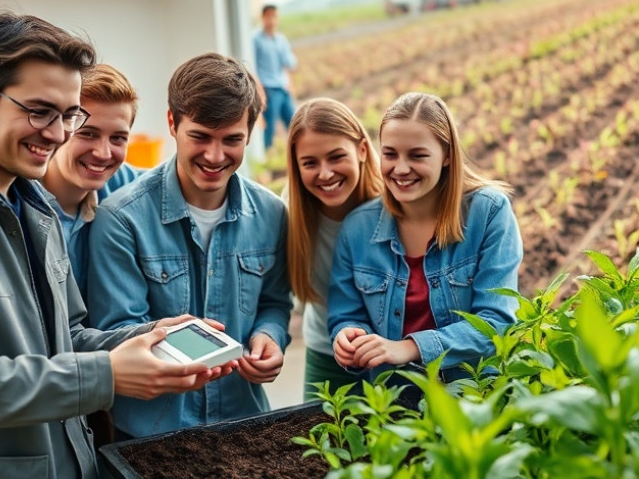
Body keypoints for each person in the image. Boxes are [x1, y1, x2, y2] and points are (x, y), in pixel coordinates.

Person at [0, 12, 233, 479]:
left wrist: (147, 337)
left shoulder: (33, 202)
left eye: (69, 115)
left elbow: (64, 338)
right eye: (38, 111)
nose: (56, 134)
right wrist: (107, 375)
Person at [87, 52, 292, 439]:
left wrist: (269, 337)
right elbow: (119, 332)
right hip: (151, 435)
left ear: (250, 133)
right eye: (200, 136)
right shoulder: (121, 219)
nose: (215, 156)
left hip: (243, 427)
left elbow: (275, 303)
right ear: (172, 123)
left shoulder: (271, 214)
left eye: (232, 140)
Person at [328, 92, 523, 383]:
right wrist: (348, 336)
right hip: (393, 400)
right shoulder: (358, 228)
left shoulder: (488, 212)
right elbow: (346, 313)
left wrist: (408, 348)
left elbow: (495, 323)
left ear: (446, 155)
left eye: (417, 155)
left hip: (474, 390)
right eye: (390, 154)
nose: (401, 168)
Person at [284, 98, 383, 400]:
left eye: (336, 157)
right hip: (328, 356)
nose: (325, 174)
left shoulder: (394, 211)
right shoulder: (291, 215)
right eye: (310, 163)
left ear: (362, 151)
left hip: (391, 354)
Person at [41, 63, 142, 297]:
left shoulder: (132, 188)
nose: (103, 153)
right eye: (88, 134)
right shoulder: (16, 202)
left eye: (118, 138)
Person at [253, 4, 297, 151]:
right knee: (269, 127)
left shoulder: (281, 40)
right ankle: (268, 156)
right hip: (269, 89)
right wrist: (259, 88)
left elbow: (291, 63)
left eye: (274, 16)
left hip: (282, 88)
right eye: (269, 16)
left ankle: (296, 151)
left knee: (294, 122)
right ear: (263, 18)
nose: (272, 20)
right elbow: (252, 65)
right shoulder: (256, 39)